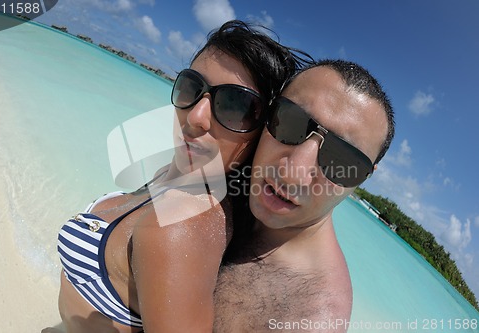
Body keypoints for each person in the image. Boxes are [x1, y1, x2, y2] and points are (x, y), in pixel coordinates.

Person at [56, 20, 313, 333]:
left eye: (234, 106)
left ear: (262, 135)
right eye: (192, 87)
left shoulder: (181, 226)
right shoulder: (179, 175)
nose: (196, 117)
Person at [214, 59, 395, 332]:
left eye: (340, 158)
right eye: (290, 121)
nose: (293, 173)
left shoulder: (306, 319)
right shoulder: (224, 177)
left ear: (364, 178)